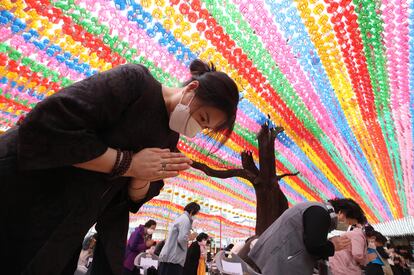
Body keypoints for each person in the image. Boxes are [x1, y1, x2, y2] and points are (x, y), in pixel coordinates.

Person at [0, 60, 239, 275]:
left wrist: (143, 175)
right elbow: (51, 127)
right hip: (23, 190)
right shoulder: (135, 83)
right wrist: (129, 164)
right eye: (203, 118)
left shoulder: (169, 141)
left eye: (205, 128)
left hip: (65, 226)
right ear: (191, 89)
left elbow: (133, 198)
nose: (197, 128)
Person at [249, 198, 366, 275]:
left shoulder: (316, 209)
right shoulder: (320, 212)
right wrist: (332, 245)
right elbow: (314, 246)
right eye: (349, 223)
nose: (347, 227)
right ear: (341, 213)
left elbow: (309, 240)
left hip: (274, 258)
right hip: (278, 261)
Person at [158, 202, 200, 275]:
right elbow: (182, 239)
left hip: (170, 257)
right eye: (196, 214)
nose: (196, 216)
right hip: (174, 258)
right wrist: (190, 237)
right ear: (192, 211)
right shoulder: (185, 220)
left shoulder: (181, 218)